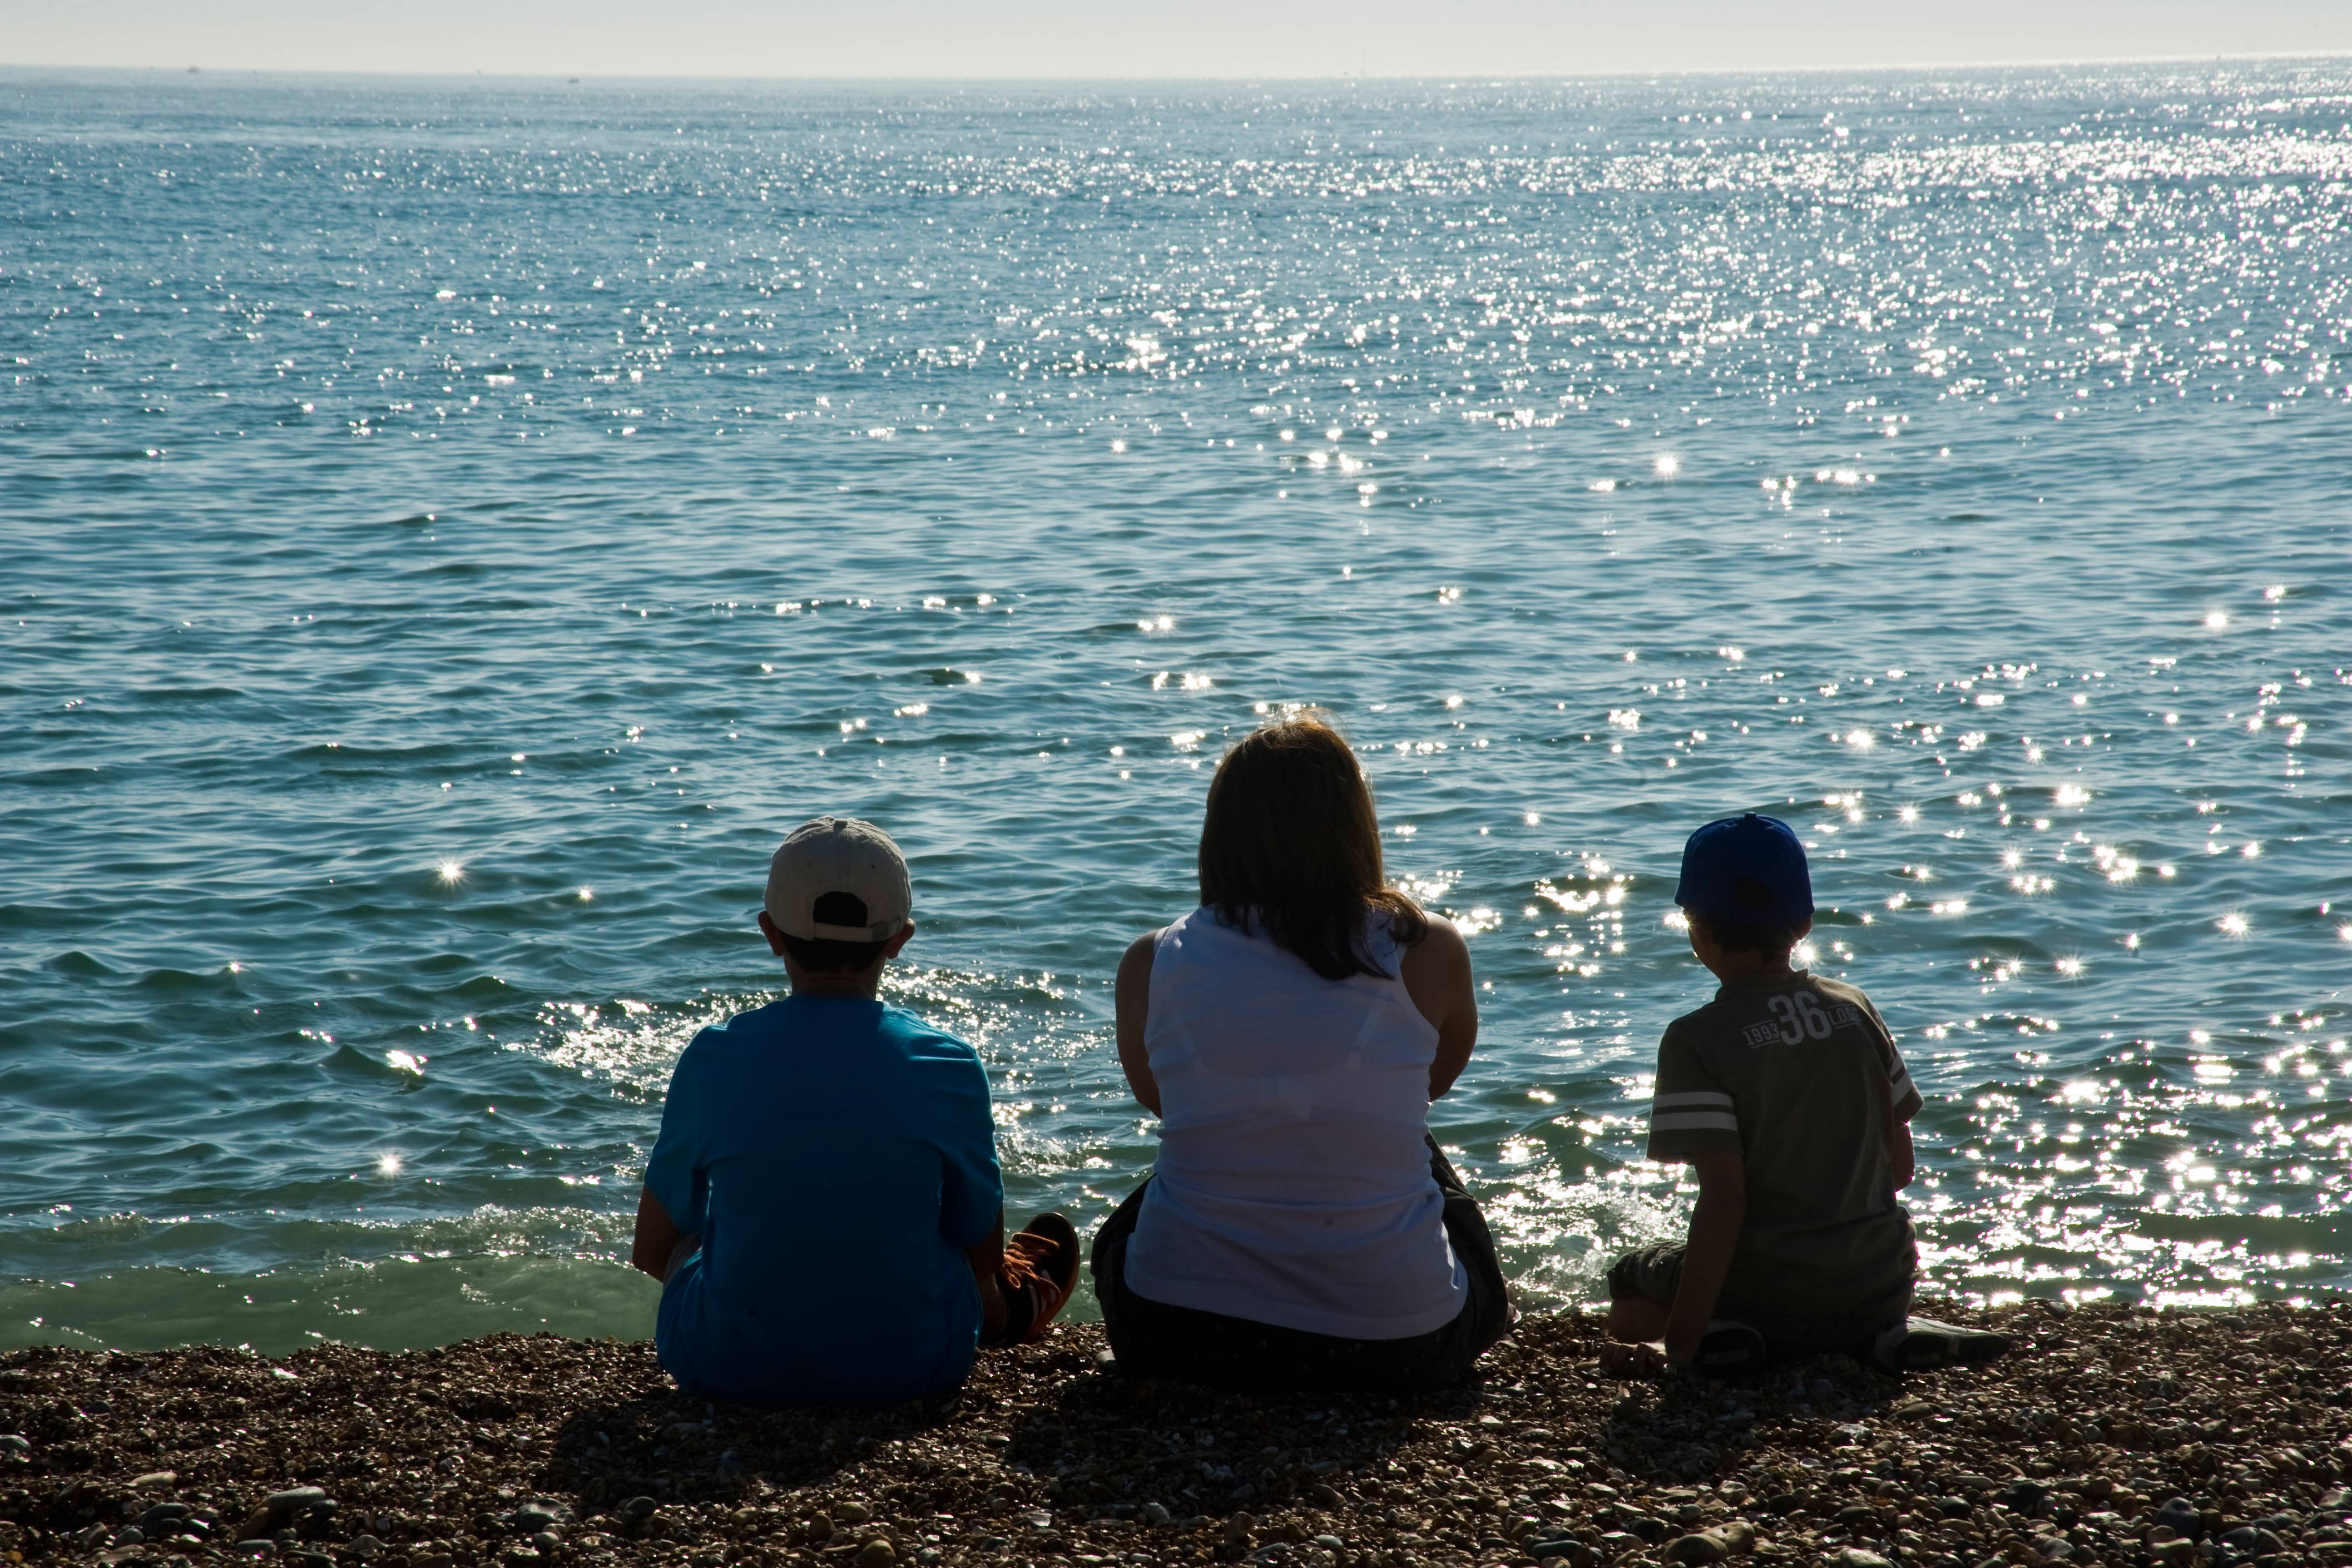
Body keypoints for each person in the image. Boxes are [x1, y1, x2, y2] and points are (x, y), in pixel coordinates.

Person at [1090, 713, 1513, 1393]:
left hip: (1175, 1336)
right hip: (1399, 1346)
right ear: (1353, 826)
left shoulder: (1152, 961)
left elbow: (1160, 1099)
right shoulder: (1428, 949)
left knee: (1147, 1205)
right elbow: (1431, 1083)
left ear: (1220, 834)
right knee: (1414, 1146)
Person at [630, 815, 1080, 1406]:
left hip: (725, 1369)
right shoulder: (947, 1062)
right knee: (950, 1236)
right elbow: (981, 1244)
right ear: (900, 939)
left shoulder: (714, 1056)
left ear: (769, 933)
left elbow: (650, 1251)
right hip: (914, 1366)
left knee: (698, 1230)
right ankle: (1001, 1312)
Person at [1602, 812, 2008, 1378]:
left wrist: (1680, 1348)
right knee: (1826, 1286)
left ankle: (1728, 1335)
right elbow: (1899, 1168)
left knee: (1630, 1285)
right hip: (1879, 1283)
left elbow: (1724, 1202)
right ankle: (1882, 1333)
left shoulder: (1694, 1040)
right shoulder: (1854, 1007)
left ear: (1696, 930)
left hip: (1766, 1290)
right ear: (1804, 922)